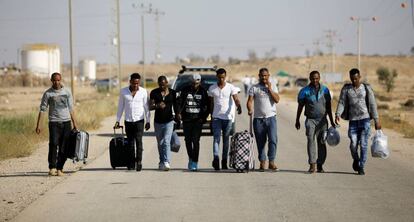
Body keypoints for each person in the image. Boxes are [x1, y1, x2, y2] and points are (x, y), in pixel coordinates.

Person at [335, 68, 381, 175]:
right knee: (353, 144)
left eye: (356, 78)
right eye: (352, 79)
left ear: (359, 77)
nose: (354, 81)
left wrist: (376, 119)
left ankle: (361, 166)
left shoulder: (366, 88)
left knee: (364, 144)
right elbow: (341, 102)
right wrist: (337, 114)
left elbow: (373, 104)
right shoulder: (347, 89)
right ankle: (356, 159)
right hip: (353, 121)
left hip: (365, 120)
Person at [35, 72, 77, 176]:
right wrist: (38, 125)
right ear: (51, 80)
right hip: (53, 122)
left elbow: (71, 108)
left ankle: (60, 168)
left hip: (66, 122)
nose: (56, 82)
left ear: (61, 80)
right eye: (54, 80)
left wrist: (75, 123)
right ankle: (52, 167)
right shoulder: (48, 93)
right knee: (53, 144)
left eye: (58, 80)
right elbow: (42, 109)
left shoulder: (67, 92)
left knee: (64, 146)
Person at [295, 70, 335, 173]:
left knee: (322, 142)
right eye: (313, 78)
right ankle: (312, 164)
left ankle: (320, 164)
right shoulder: (304, 91)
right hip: (310, 120)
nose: (315, 80)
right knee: (310, 141)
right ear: (310, 78)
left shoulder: (325, 90)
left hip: (323, 120)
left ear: (319, 78)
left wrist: (332, 121)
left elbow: (329, 107)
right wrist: (297, 120)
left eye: (316, 78)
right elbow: (300, 106)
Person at [115, 73, 150, 171]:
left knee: (139, 141)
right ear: (130, 82)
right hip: (128, 121)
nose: (136, 85)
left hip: (139, 121)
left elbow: (146, 107)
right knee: (130, 143)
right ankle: (131, 162)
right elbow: (120, 107)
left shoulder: (143, 92)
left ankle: (139, 161)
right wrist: (117, 120)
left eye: (137, 83)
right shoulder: (123, 92)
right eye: (134, 83)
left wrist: (148, 121)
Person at [247, 68, 280, 172]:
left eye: (266, 76)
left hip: (271, 118)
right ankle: (262, 162)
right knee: (260, 142)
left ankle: (271, 162)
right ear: (259, 76)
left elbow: (277, 100)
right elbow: (249, 101)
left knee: (273, 140)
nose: (264, 77)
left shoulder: (273, 86)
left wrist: (270, 89)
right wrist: (249, 109)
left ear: (268, 75)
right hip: (258, 120)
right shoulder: (254, 88)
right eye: (262, 76)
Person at [208, 68, 242, 170]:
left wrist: (238, 106)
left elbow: (236, 98)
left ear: (225, 76)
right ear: (217, 77)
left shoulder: (231, 87)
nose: (222, 79)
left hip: (228, 118)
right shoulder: (212, 88)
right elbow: (210, 103)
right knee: (216, 139)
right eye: (219, 77)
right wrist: (210, 116)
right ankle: (216, 159)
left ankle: (224, 161)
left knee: (226, 140)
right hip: (216, 118)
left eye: (223, 77)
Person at [178, 73, 210, 171]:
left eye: (197, 82)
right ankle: (191, 158)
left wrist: (203, 118)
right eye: (193, 82)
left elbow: (208, 106)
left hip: (198, 120)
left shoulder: (203, 91)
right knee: (188, 141)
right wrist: (179, 113)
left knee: (195, 141)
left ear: (199, 82)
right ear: (190, 82)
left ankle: (195, 162)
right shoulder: (185, 90)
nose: (195, 84)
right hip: (187, 119)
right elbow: (179, 102)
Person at [150, 75, 180, 171]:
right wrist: (157, 105)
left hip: (169, 121)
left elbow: (176, 106)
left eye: (163, 84)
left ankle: (166, 162)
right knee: (160, 143)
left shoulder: (172, 93)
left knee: (166, 141)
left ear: (167, 83)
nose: (161, 86)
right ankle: (161, 161)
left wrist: (178, 115)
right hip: (158, 122)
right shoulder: (154, 93)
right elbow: (150, 106)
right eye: (160, 85)